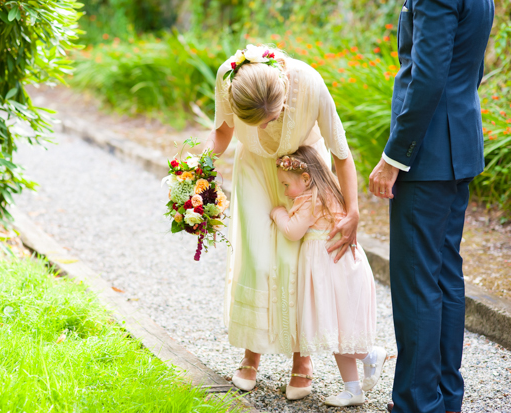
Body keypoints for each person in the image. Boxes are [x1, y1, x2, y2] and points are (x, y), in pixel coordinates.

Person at [205, 44, 361, 397]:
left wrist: (352, 211)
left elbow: (341, 153)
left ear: (284, 97)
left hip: (304, 172)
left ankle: (301, 359)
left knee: (298, 261)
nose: (264, 126)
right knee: (258, 261)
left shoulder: (310, 83)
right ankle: (251, 353)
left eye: (270, 119)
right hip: (256, 172)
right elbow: (222, 135)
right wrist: (193, 170)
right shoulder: (228, 78)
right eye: (254, 122)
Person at [367, 0, 495, 412]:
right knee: (443, 276)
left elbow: (427, 76)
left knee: (417, 282)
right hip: (457, 144)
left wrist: (394, 156)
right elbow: (469, 69)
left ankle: (417, 404)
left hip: (426, 156)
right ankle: (442, 398)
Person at [270, 146, 386, 406]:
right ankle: (353, 389)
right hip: (343, 268)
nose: (286, 191)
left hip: (331, 270)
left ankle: (370, 355)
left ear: (306, 179)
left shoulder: (311, 199)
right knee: (340, 331)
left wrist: (277, 212)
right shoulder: (330, 191)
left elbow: (292, 231)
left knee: (338, 330)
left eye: (286, 184)